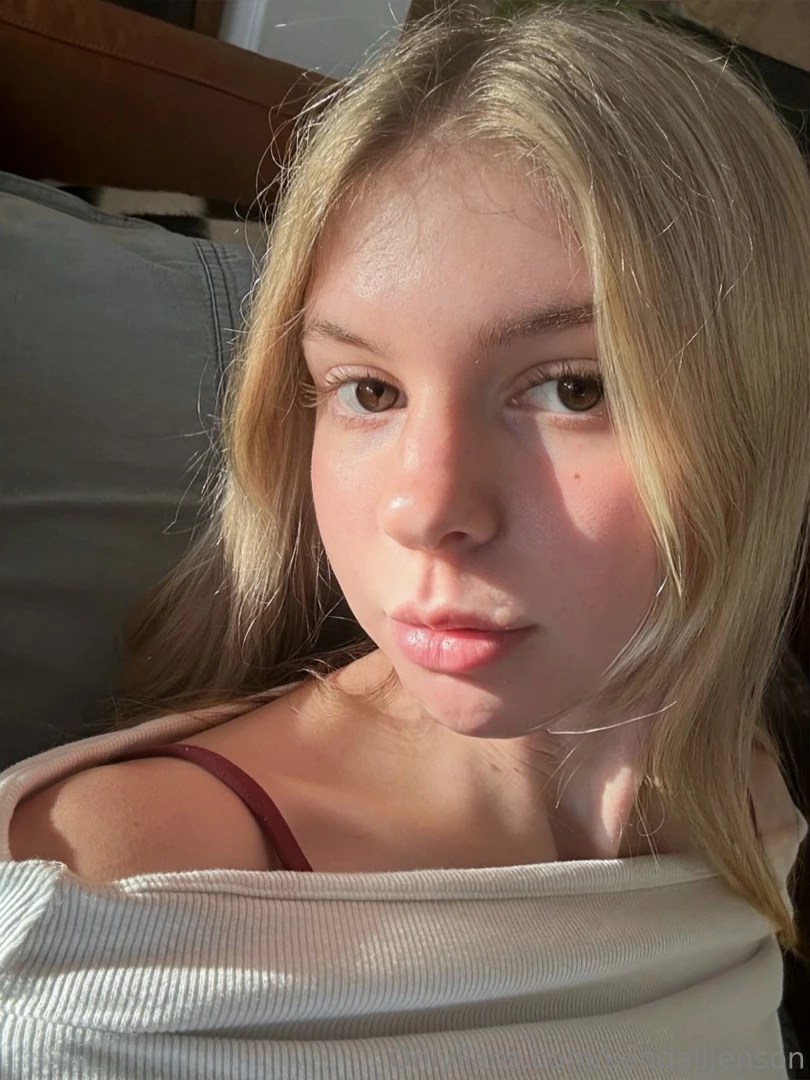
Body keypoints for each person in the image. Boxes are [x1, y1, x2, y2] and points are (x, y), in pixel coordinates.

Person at [2, 2, 809, 1076]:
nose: (424, 511)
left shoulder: (744, 798)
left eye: (574, 388)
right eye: (368, 390)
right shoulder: (116, 909)